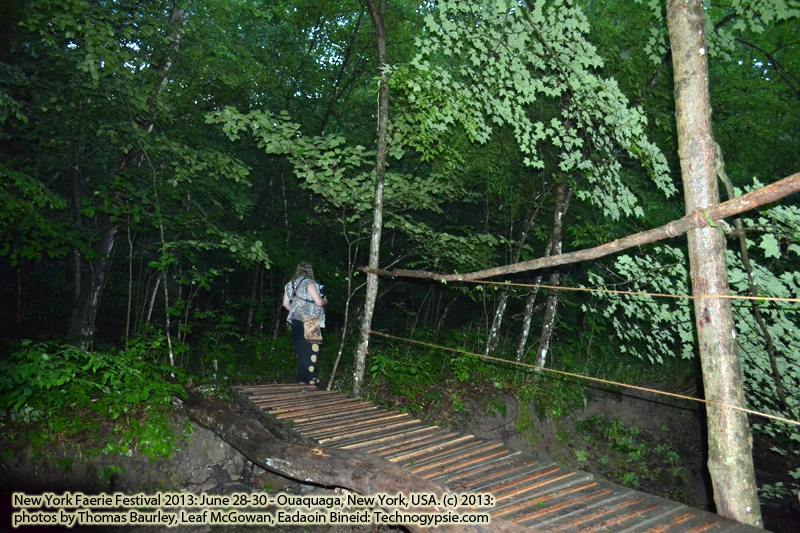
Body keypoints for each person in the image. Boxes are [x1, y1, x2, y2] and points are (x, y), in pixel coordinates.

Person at [282, 262, 327, 385]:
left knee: (301, 350)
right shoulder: (309, 284)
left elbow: (285, 304)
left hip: (295, 321)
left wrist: (295, 311)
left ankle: (302, 378)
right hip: (311, 321)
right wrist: (325, 301)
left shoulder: (290, 284)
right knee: (312, 350)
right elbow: (319, 303)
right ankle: (311, 378)